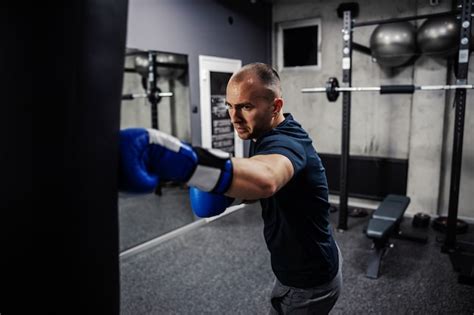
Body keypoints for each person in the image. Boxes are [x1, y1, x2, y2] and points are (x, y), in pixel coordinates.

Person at [119, 62, 342, 314]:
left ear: (276, 106)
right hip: (312, 259)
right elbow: (261, 185)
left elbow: (268, 178)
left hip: (308, 282)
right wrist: (230, 192)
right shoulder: (264, 133)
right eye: (229, 106)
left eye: (246, 107)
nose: (234, 117)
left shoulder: (287, 142)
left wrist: (186, 163)